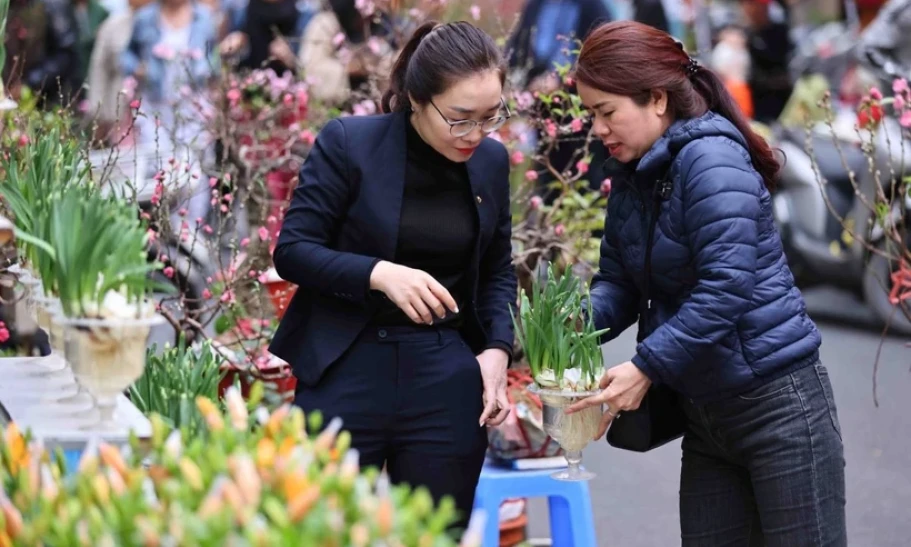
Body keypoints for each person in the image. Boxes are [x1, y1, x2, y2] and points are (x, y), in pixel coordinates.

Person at [564, 21, 846, 546]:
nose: (598, 128)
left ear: (655, 99)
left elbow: (726, 287)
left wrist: (646, 365)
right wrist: (564, 328)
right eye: (591, 114)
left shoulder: (711, 160)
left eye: (607, 112)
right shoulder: (633, 174)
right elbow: (618, 283)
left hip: (779, 409)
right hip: (705, 416)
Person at [269, 21, 516, 531]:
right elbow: (293, 250)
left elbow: (496, 269)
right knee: (322, 530)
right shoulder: (350, 143)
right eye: (461, 119)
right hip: (346, 365)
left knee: (435, 534)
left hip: (443, 375)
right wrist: (378, 274)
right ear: (416, 99)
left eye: (491, 117)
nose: (476, 135)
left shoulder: (490, 161)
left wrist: (495, 349)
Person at [297, 0, 396, 106]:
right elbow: (310, 69)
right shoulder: (327, 22)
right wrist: (352, 67)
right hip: (337, 106)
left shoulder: (382, 23)